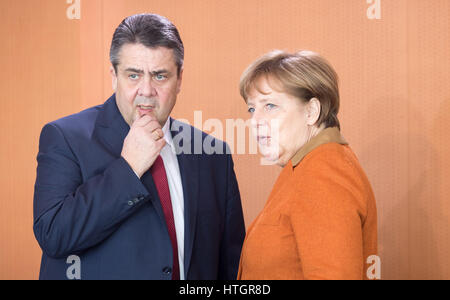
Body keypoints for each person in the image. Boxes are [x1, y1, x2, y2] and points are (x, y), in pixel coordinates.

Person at [33, 13, 245, 280]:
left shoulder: (212, 154)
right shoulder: (64, 137)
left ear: (179, 79)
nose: (146, 90)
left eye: (160, 76)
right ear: (114, 76)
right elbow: (54, 235)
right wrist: (129, 168)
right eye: (133, 75)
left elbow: (230, 264)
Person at [237, 50, 378, 280]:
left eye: (270, 106)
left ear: (312, 111)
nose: (255, 121)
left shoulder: (324, 172)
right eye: (252, 109)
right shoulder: (306, 166)